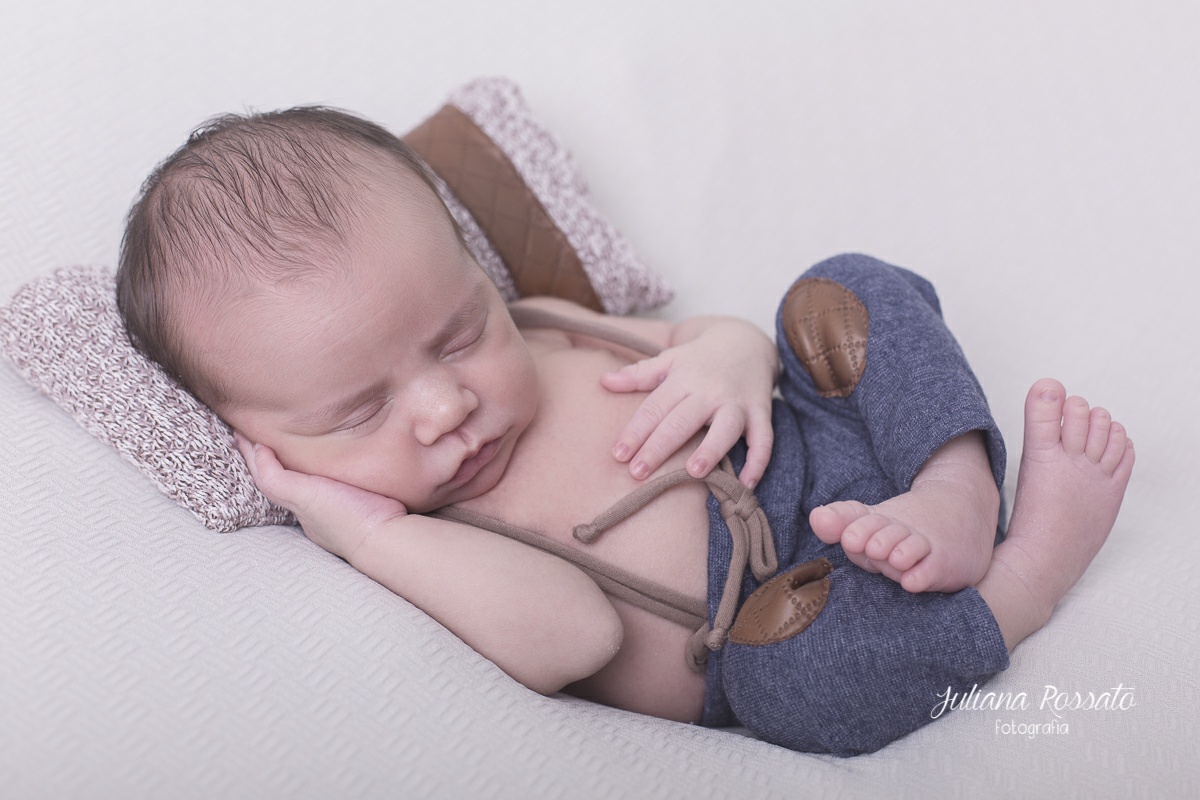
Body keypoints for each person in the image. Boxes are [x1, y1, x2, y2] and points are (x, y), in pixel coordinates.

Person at [115, 107, 1134, 756]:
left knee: (840, 290)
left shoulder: (544, 324)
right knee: (801, 689)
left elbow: (705, 335)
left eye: (459, 330)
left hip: (818, 444)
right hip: (790, 611)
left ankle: (953, 483)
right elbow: (575, 634)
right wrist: (371, 531)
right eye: (359, 411)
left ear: (477, 276)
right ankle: (1024, 577)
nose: (443, 407)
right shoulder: (430, 535)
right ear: (270, 446)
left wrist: (725, 355)